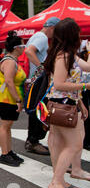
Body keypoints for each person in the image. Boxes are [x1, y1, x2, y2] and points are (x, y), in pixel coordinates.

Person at [43, 18, 90, 188]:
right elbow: (60, 83)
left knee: (61, 144)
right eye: (77, 31)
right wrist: (85, 85)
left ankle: (60, 179)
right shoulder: (63, 56)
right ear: (71, 34)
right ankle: (56, 182)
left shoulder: (68, 54)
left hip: (64, 103)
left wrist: (80, 102)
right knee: (75, 145)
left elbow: (87, 67)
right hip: (62, 105)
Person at [24, 16, 60, 155]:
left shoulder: (36, 35)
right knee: (38, 110)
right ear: (52, 28)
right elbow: (29, 51)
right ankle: (33, 141)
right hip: (39, 80)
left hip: (35, 79)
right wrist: (42, 69)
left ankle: (32, 140)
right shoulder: (42, 37)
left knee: (37, 109)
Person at [0, 31, 26, 166]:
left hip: (9, 98)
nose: (24, 49)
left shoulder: (10, 60)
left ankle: (8, 151)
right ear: (16, 48)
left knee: (7, 127)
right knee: (5, 126)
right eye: (22, 46)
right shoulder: (9, 62)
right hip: (7, 99)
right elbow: (9, 81)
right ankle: (4, 154)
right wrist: (18, 100)